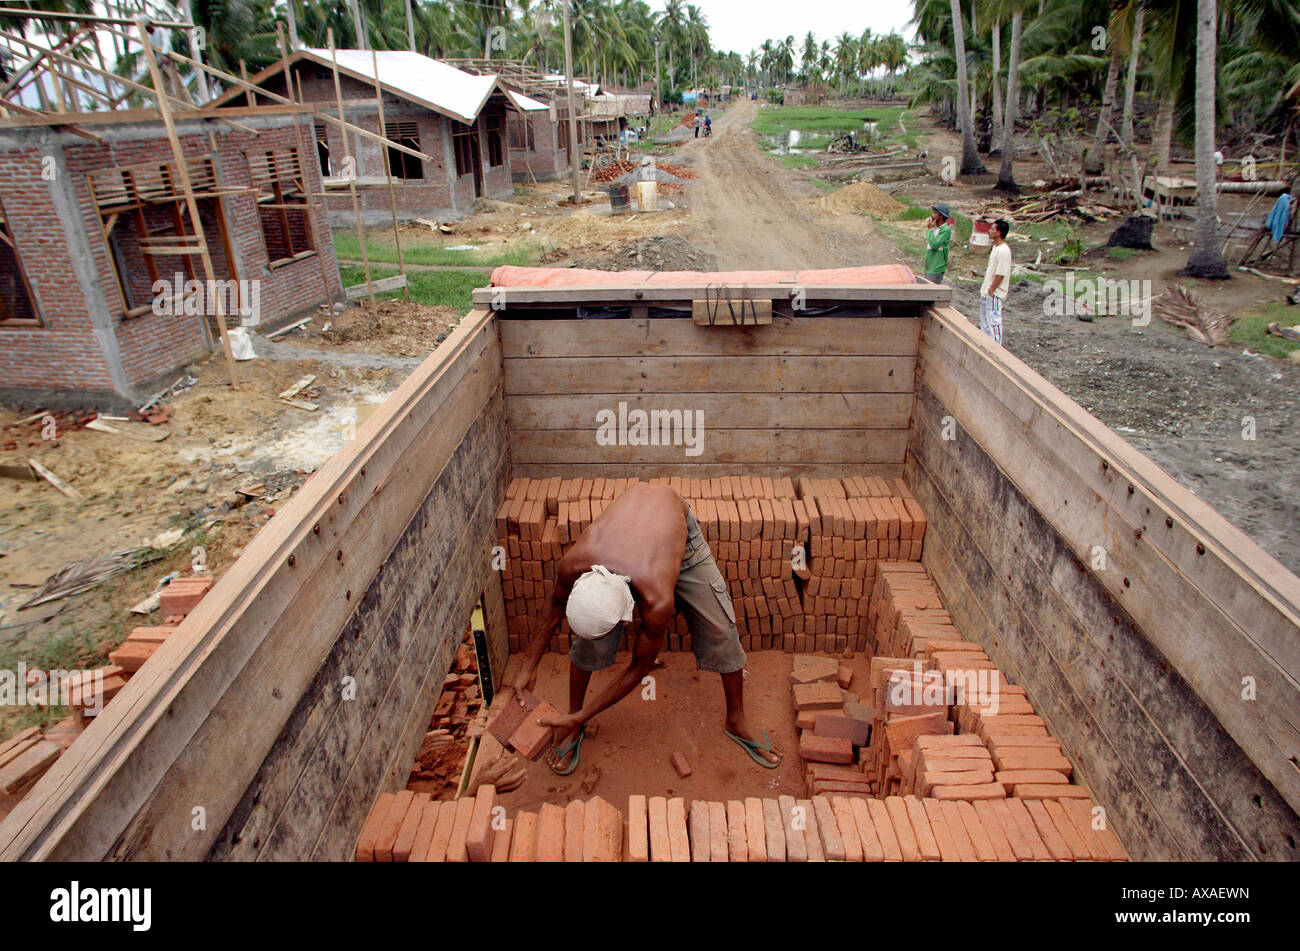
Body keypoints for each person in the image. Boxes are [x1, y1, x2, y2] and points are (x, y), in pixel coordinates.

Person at [510, 482, 781, 775]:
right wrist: (528, 666)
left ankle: (736, 720)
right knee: (588, 643)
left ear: (628, 613)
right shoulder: (574, 565)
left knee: (721, 630)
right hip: (632, 525)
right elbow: (554, 606)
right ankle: (574, 718)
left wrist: (588, 713)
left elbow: (640, 666)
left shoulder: (657, 596)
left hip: (678, 533)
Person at [979, 218, 1012, 344]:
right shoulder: (995, 248)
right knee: (985, 321)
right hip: (986, 291)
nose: (989, 231)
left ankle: (996, 347)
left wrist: (992, 289)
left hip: (994, 293)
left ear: (999, 232)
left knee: (994, 321)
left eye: (992, 229)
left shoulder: (1004, 250)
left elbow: (1000, 273)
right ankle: (986, 344)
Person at [924, 202, 952, 283]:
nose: (932, 215)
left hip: (936, 267)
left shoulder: (945, 230)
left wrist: (930, 230)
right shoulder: (936, 228)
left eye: (935, 213)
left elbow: (934, 245)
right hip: (930, 266)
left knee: (931, 292)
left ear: (941, 216)